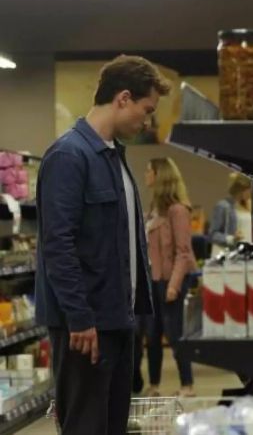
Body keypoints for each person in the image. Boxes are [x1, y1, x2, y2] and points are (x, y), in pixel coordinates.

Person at [35, 55, 169, 434]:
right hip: (85, 329)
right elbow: (57, 245)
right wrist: (80, 317)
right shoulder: (69, 156)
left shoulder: (113, 158)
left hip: (116, 322)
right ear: (122, 98)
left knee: (111, 427)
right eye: (146, 110)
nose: (147, 122)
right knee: (85, 427)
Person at [137, 157, 197, 397]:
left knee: (174, 334)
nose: (145, 175)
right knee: (151, 335)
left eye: (148, 171)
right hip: (153, 281)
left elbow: (183, 252)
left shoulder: (178, 210)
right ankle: (154, 384)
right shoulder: (153, 209)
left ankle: (187, 384)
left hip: (172, 281)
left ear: (159, 175)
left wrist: (173, 286)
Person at [209, 172, 252, 257]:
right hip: (229, 255)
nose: (250, 192)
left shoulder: (249, 206)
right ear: (242, 189)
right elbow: (213, 234)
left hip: (246, 255)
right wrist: (231, 239)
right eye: (249, 189)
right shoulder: (223, 206)